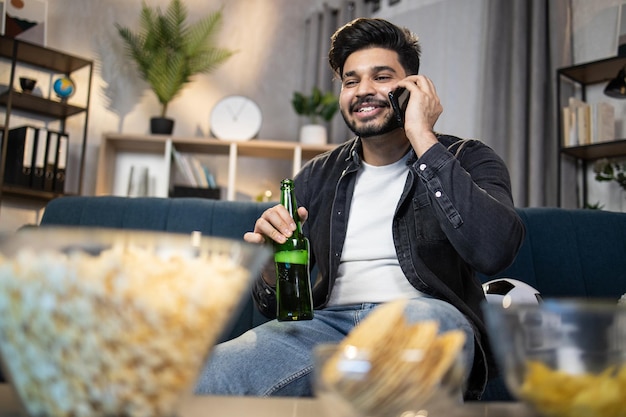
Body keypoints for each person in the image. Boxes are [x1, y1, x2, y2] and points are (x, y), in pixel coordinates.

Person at [195, 17, 525, 400]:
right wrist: (269, 268)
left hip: (421, 317)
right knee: (201, 377)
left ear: (412, 88)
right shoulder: (317, 175)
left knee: (418, 335)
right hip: (325, 328)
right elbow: (276, 308)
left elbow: (495, 249)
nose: (363, 91)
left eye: (381, 77)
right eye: (351, 81)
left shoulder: (467, 157)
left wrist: (422, 137)